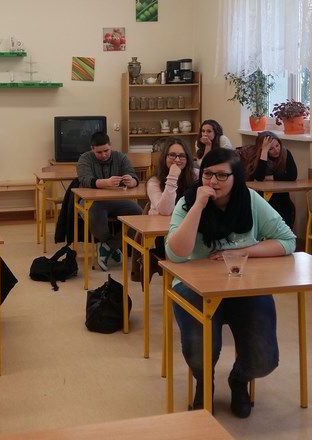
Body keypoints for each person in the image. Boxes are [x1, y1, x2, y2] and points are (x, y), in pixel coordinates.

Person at [166, 148, 296, 417]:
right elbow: (176, 254)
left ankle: (239, 379)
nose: (213, 181)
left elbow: (287, 241)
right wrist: (198, 206)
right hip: (194, 288)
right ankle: (204, 382)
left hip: (243, 285)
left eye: (222, 175)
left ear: (236, 177)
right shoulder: (188, 202)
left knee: (264, 359)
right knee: (200, 352)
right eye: (208, 174)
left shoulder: (250, 200)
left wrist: (243, 251)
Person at [77, 131, 143, 271]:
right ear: (92, 149)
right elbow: (85, 180)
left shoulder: (120, 157)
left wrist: (131, 181)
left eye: (106, 151)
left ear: (110, 145)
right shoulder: (85, 158)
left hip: (116, 200)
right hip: (91, 202)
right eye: (99, 152)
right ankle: (111, 246)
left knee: (140, 215)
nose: (104, 155)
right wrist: (106, 182)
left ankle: (108, 247)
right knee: (95, 217)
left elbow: (133, 175)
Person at [134, 137, 197, 282]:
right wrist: (173, 177)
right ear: (165, 158)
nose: (177, 160)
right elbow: (166, 210)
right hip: (163, 235)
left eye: (182, 156)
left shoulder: (195, 175)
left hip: (190, 230)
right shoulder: (154, 182)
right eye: (172, 155)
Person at [238, 131, 297, 226]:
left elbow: (292, 176)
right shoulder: (258, 156)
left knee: (284, 207)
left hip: (281, 194)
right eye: (271, 149)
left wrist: (269, 177)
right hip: (262, 195)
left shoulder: (285, 153)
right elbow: (259, 177)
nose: (276, 150)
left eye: (277, 145)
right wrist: (264, 152)